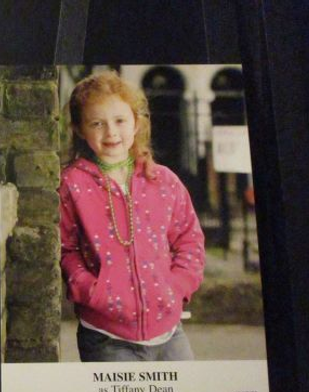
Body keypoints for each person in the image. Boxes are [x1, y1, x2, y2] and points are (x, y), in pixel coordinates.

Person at [59, 70, 205, 362]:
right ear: (79, 129)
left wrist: (176, 287)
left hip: (170, 333)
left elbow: (189, 239)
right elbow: (65, 249)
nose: (111, 132)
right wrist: (94, 292)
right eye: (97, 123)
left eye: (120, 121)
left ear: (136, 123)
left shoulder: (163, 180)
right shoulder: (72, 184)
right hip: (106, 337)